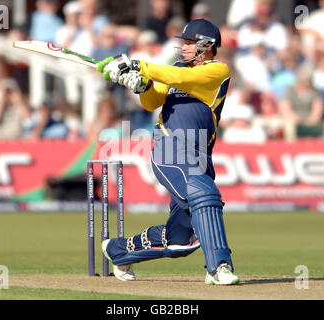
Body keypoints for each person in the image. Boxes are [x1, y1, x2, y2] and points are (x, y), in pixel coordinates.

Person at [96, 19, 239, 285]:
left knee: (181, 240)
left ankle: (117, 250)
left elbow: (184, 79)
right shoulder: (174, 69)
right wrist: (143, 87)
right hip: (169, 147)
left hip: (198, 154)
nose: (183, 48)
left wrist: (140, 66)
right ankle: (219, 268)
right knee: (203, 193)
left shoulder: (218, 71)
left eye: (188, 43)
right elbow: (153, 102)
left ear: (206, 46)